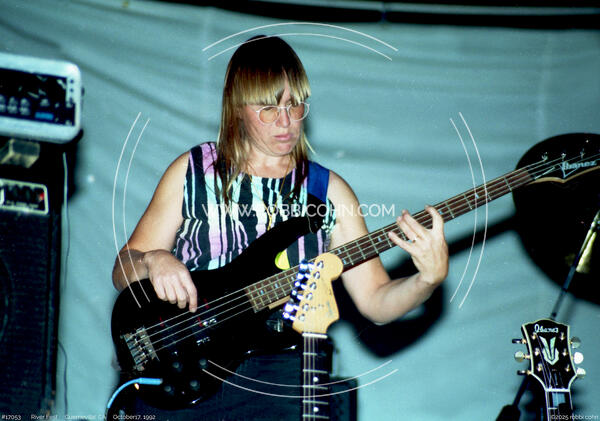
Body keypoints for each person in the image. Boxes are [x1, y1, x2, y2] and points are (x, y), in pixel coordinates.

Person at [111, 35, 448, 420]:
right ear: (237, 108)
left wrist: (426, 280)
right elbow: (122, 269)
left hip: (279, 378)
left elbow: (375, 302)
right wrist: (153, 259)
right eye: (269, 108)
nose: (286, 121)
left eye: (295, 104)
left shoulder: (328, 191)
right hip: (183, 366)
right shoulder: (192, 172)